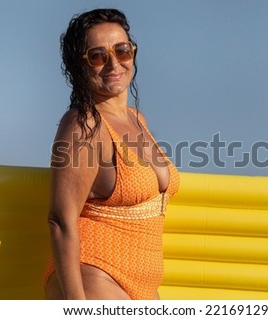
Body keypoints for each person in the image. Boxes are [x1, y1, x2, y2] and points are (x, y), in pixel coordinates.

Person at [44, 8, 180, 300]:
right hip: (96, 275)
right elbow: (60, 220)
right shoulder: (84, 124)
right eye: (97, 56)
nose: (113, 63)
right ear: (78, 65)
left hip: (143, 284)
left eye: (122, 50)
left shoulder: (137, 118)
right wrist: (75, 306)